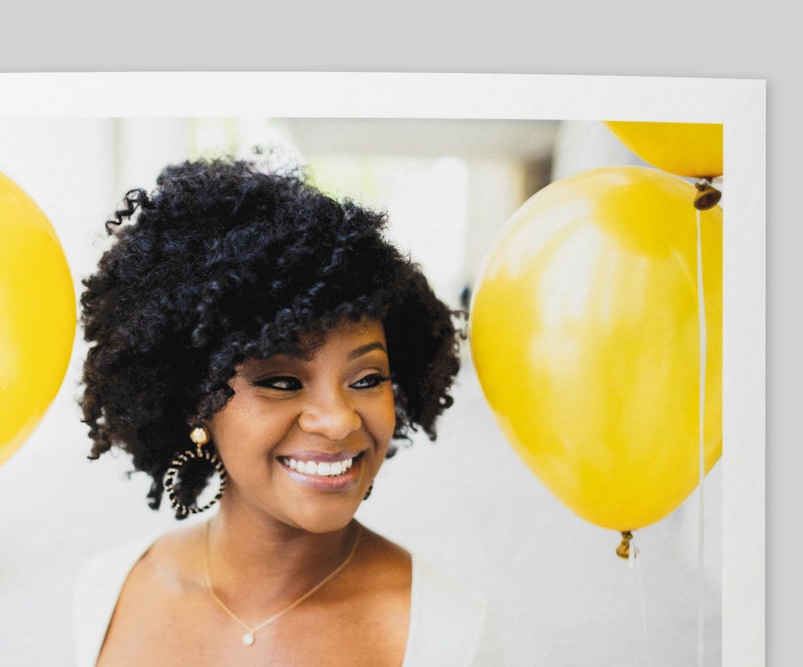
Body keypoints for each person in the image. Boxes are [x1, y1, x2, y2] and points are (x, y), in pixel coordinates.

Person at [73, 155, 500, 666]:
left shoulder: (448, 636)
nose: (339, 419)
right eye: (281, 381)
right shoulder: (108, 591)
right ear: (195, 400)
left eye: (366, 379)